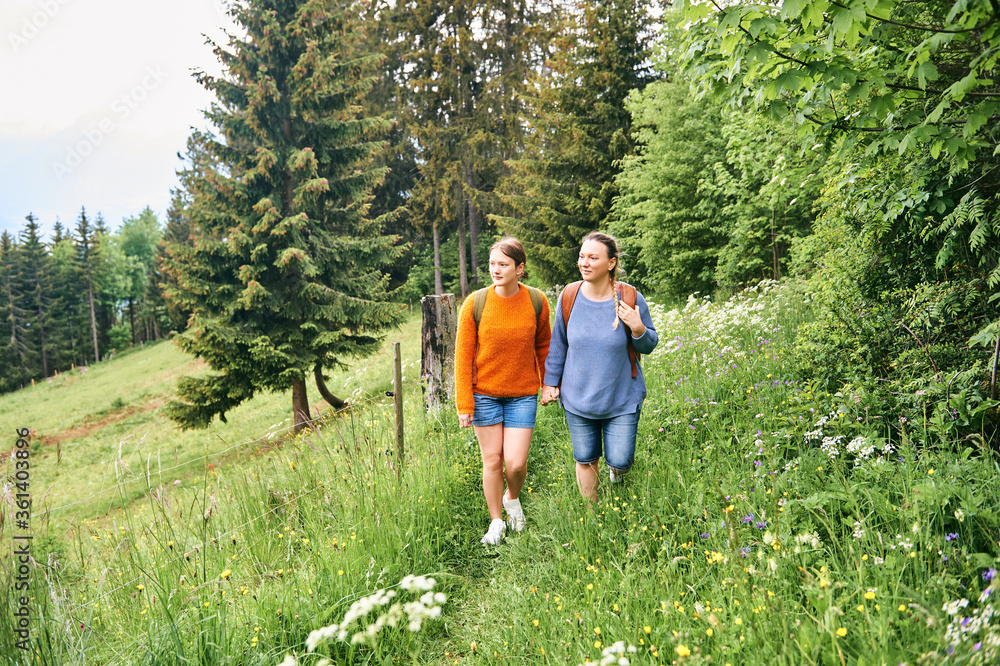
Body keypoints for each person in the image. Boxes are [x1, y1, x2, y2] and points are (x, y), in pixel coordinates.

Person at [540, 231, 658, 502]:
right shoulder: (569, 296)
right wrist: (549, 383)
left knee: (621, 460)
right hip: (578, 397)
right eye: (582, 256)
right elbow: (558, 344)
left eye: (593, 257)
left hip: (621, 397)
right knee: (585, 458)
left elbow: (648, 345)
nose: (585, 263)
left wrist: (638, 328)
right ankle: (593, 516)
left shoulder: (630, 297)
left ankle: (616, 471)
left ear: (611, 263)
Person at [455, 237, 552, 545]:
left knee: (516, 463)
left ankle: (513, 498)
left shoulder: (537, 301)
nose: (496, 270)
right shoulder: (475, 303)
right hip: (484, 395)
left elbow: (544, 346)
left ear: (519, 268)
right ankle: (496, 521)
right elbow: (463, 356)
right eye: (492, 264)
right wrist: (464, 403)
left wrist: (548, 383)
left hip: (523, 394)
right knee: (493, 460)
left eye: (503, 264)